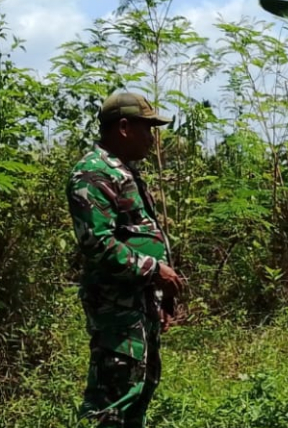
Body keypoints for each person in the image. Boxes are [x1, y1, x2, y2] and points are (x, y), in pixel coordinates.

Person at [66, 91, 185, 428]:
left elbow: (137, 234)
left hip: (137, 301)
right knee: (113, 398)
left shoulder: (125, 171)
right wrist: (154, 270)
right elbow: (98, 244)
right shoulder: (93, 173)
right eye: (147, 128)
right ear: (123, 127)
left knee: (140, 388)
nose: (152, 138)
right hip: (115, 308)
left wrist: (157, 298)